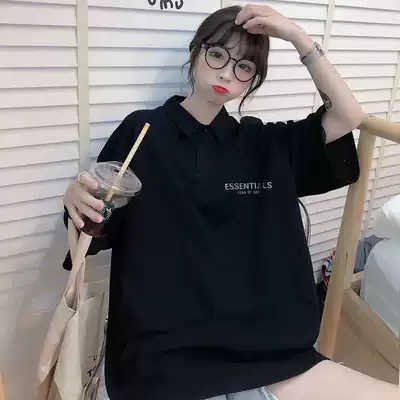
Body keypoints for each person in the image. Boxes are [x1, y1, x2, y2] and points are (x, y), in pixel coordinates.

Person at [63, 4, 399, 400]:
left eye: (244, 66)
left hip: (264, 349)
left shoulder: (264, 145)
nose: (227, 73)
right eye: (218, 55)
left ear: (253, 80)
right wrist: (75, 199)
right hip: (162, 353)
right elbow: (93, 228)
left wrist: (297, 36)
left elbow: (348, 115)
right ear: (195, 53)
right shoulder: (143, 132)